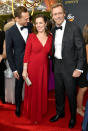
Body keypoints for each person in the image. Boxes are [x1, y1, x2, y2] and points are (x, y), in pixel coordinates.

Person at [49, 3, 85, 128]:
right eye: (55, 14)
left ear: (64, 14)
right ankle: (60, 113)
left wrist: (79, 68)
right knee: (58, 92)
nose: (57, 16)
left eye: (59, 13)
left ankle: (73, 117)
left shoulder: (74, 28)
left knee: (70, 94)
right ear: (52, 16)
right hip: (57, 65)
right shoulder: (53, 30)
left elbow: (81, 50)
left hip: (70, 67)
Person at [22, 14, 52, 123]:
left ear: (45, 23)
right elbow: (26, 54)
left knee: (42, 90)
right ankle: (33, 114)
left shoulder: (50, 37)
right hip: (32, 68)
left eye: (40, 23)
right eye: (36, 23)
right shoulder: (31, 36)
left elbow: (52, 53)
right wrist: (25, 70)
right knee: (34, 91)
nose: (38, 25)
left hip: (44, 68)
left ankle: (41, 111)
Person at [5, 6, 32, 117]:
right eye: (25, 18)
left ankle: (32, 105)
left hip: (33, 62)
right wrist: (14, 68)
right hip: (19, 64)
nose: (28, 20)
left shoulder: (31, 26)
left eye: (28, 18)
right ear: (17, 18)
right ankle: (18, 107)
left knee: (33, 85)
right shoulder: (10, 32)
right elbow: (9, 52)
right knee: (19, 86)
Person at [77, 24, 88, 117]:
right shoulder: (87, 45)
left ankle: (80, 106)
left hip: (85, 69)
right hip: (84, 70)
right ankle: (79, 109)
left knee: (84, 89)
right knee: (82, 89)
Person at [0, 30, 6, 103]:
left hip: (0, 61)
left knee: (1, 80)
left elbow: (5, 49)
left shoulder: (3, 34)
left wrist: (2, 56)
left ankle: (2, 96)